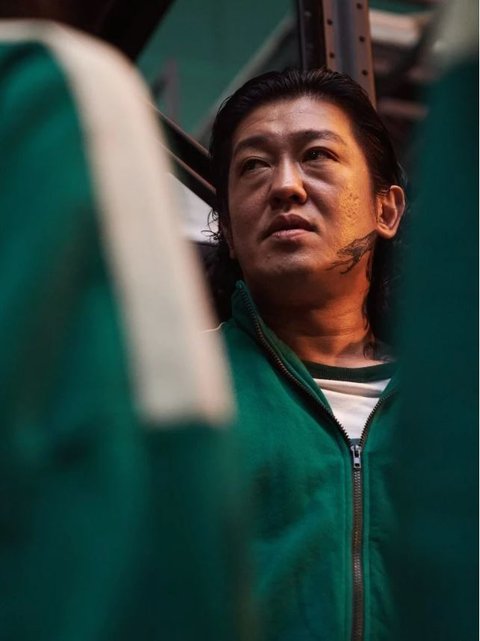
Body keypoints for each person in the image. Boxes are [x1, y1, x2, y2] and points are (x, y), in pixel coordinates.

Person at [208, 68, 408, 641]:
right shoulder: (175, 393)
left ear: (386, 210)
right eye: (253, 165)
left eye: (317, 154)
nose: (285, 186)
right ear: (228, 229)